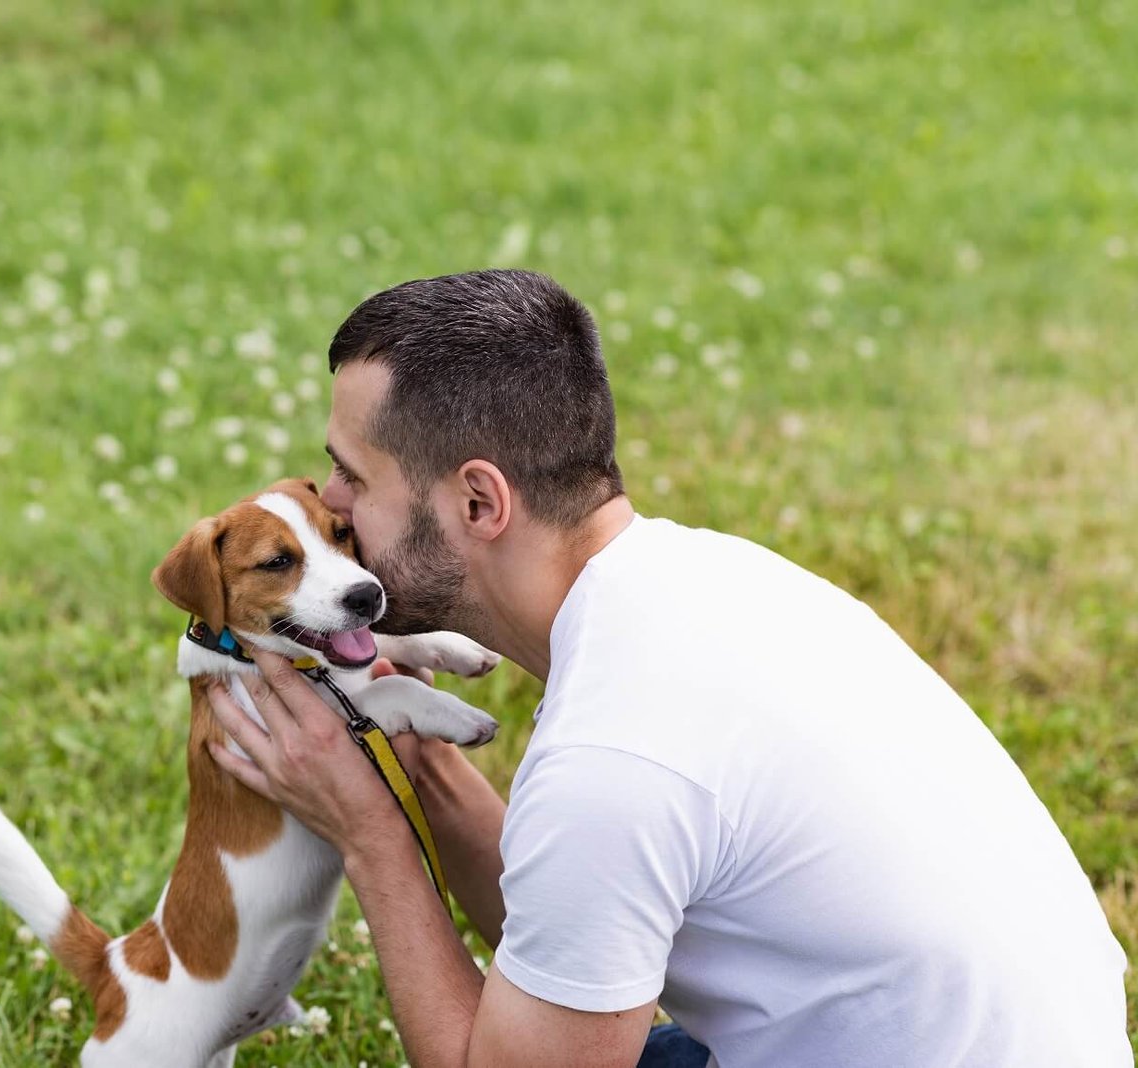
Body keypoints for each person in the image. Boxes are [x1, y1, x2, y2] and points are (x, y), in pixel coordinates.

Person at [203, 269, 1130, 1068]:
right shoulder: (706, 582)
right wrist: (415, 762)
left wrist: (369, 832)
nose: (326, 501)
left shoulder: (618, 754)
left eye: (353, 475)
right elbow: (575, 945)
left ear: (480, 499)